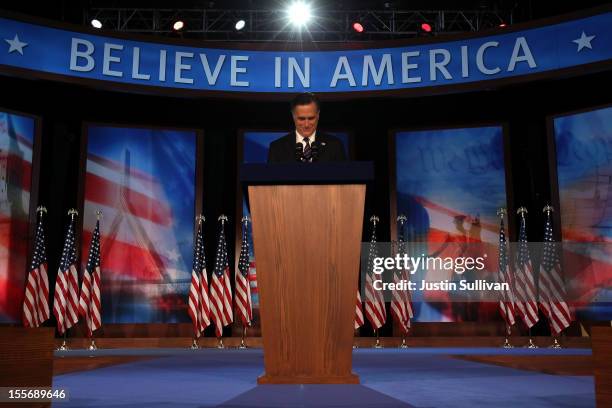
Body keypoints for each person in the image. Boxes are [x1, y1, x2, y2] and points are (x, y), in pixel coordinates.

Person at [267, 92, 347, 163]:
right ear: (293, 116)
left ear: (318, 115)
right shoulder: (277, 148)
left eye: (311, 118)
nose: (306, 125)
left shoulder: (334, 145)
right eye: (301, 119)